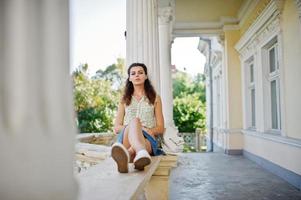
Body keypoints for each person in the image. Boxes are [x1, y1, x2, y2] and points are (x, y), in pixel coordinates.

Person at [111, 63, 165, 173]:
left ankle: (129, 154)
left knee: (139, 136)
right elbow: (117, 127)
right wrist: (138, 127)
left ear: (145, 76)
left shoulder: (155, 98)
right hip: (127, 136)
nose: (137, 75)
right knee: (135, 121)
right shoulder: (124, 99)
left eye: (140, 73)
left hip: (148, 138)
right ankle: (140, 153)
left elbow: (160, 127)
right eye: (133, 73)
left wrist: (147, 130)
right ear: (130, 78)